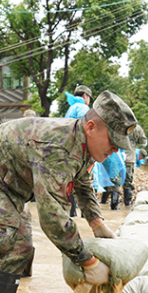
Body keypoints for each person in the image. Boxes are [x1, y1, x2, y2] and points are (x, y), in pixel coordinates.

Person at [0, 90, 138, 293]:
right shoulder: (58, 148)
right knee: (15, 246)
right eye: (113, 141)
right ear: (91, 127)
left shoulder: (82, 143)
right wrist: (87, 262)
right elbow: (52, 219)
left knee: (25, 240)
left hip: (10, 185)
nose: (115, 149)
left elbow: (82, 184)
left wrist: (97, 222)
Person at [64, 85, 93, 217]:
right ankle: (85, 216)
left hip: (68, 150)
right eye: (89, 98)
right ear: (85, 96)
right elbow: (86, 129)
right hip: (78, 151)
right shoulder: (83, 108)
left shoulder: (71, 108)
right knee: (82, 185)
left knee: (70, 183)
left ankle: (71, 214)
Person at [122, 124, 148, 206]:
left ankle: (112, 205)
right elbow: (143, 143)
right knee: (128, 182)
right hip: (129, 158)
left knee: (114, 181)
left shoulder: (118, 124)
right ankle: (127, 205)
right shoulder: (136, 128)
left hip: (117, 157)